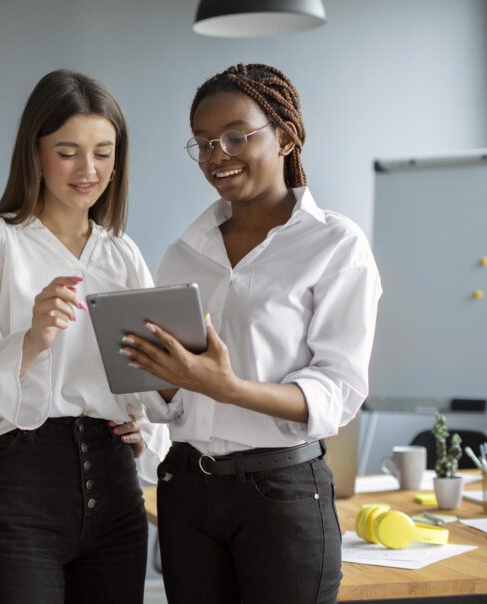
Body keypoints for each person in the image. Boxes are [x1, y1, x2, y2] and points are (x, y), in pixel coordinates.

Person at [120, 63, 382, 603]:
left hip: (281, 493)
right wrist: (161, 373)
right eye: (203, 143)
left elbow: (339, 388)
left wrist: (225, 385)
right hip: (187, 488)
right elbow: (168, 406)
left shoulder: (336, 244)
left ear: (284, 136)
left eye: (237, 136)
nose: (218, 156)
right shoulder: (183, 253)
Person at [0, 69, 169, 604]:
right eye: (68, 152)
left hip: (113, 487)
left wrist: (147, 427)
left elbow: (146, 384)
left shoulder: (121, 253)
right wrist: (30, 339)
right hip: (17, 485)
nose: (89, 170)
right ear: (35, 153)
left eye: (104, 152)